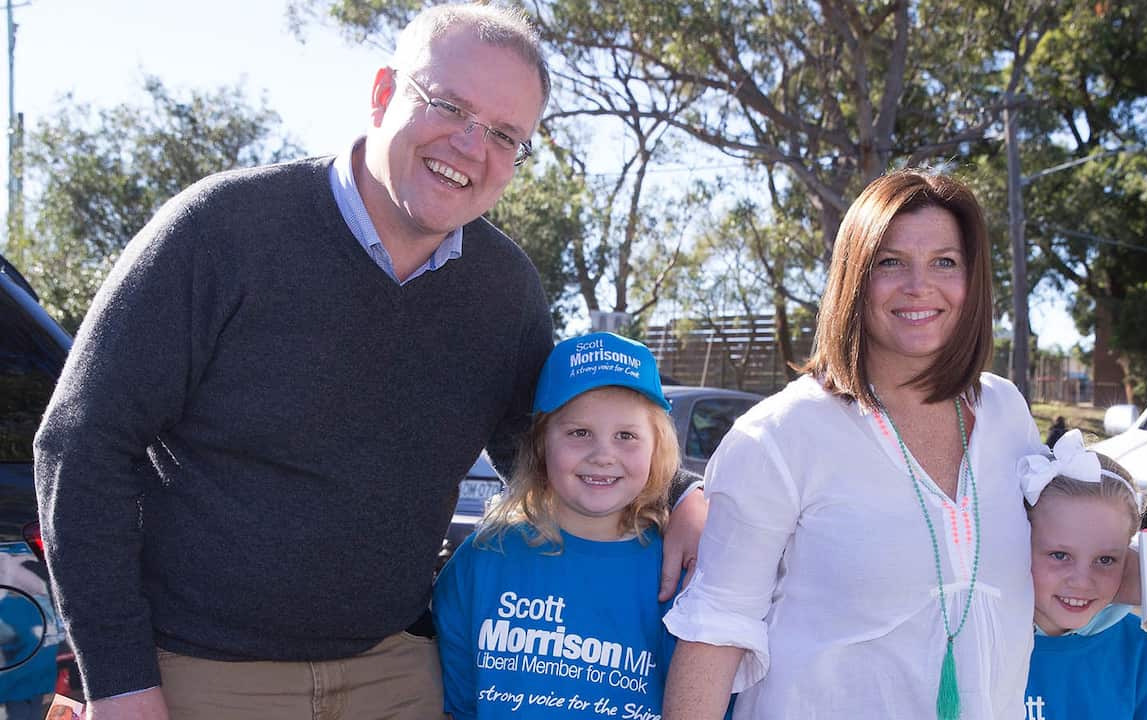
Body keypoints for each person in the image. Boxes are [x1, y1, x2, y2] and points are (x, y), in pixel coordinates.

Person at [32, 5, 704, 720]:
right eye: (449, 106)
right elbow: (81, 446)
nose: (471, 147)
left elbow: (553, 448)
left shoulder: (505, 292)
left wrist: (682, 495)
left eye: (507, 135)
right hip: (204, 671)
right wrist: (119, 680)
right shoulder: (221, 231)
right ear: (384, 92)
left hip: (396, 671)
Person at [663, 169, 1042, 719]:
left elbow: (1061, 574)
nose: (919, 285)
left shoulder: (1006, 413)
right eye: (890, 262)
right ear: (854, 277)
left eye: (945, 261)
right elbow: (715, 633)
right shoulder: (779, 435)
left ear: (973, 278)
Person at [434, 332, 681, 719]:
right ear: (540, 446)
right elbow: (459, 702)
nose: (603, 455)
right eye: (579, 433)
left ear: (657, 449)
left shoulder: (674, 574)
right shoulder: (483, 560)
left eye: (626, 436)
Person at [1018, 430, 1147, 720]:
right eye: (1060, 555)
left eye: (1106, 560)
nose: (1082, 581)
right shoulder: (982, 638)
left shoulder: (1144, 652)